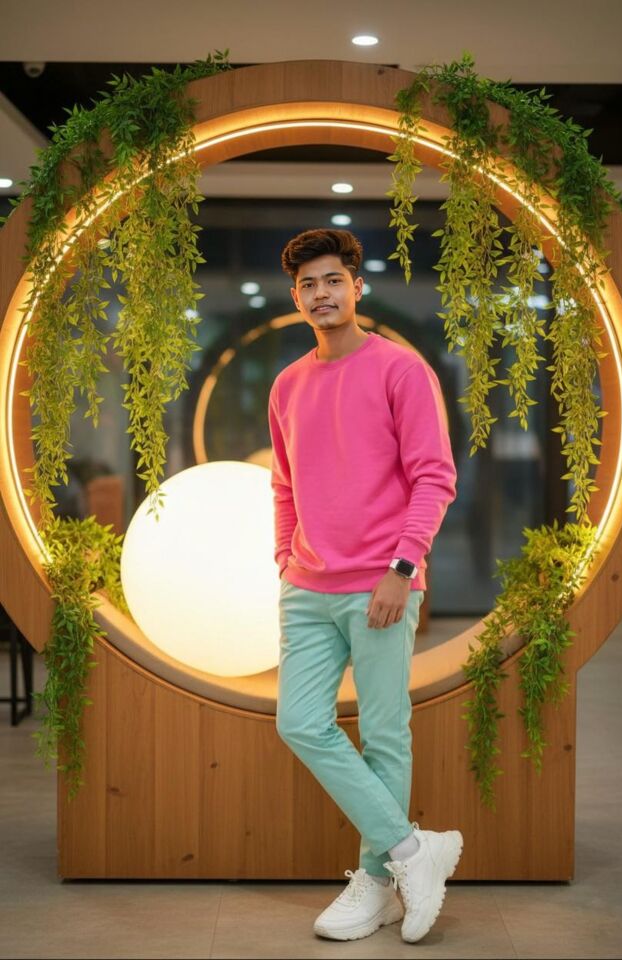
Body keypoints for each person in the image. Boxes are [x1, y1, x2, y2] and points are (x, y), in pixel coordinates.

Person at [268, 228, 462, 944]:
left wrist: (401, 570)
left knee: (383, 733)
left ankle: (377, 884)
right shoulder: (287, 384)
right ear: (296, 298)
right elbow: (284, 483)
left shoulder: (400, 370)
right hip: (306, 588)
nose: (321, 293)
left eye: (333, 280)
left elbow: (434, 477)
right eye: (308, 284)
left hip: (383, 583)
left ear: (357, 286)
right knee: (299, 722)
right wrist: (284, 557)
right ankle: (413, 852)